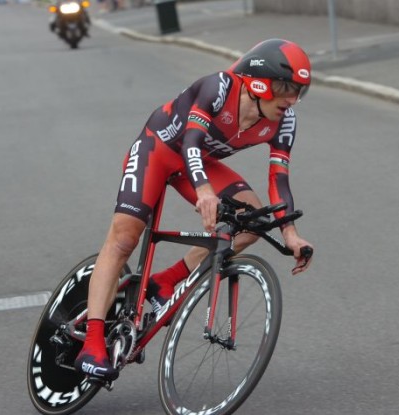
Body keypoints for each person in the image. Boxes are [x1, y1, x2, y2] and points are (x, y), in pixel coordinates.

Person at [75, 38, 315, 381]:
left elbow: (280, 178)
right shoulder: (219, 87)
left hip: (200, 162)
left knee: (254, 223)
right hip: (158, 151)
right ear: (260, 82)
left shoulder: (284, 122)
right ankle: (93, 343)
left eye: (299, 91)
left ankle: (166, 281)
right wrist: (203, 189)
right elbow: (189, 141)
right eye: (285, 88)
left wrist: (290, 234)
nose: (291, 99)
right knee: (124, 238)